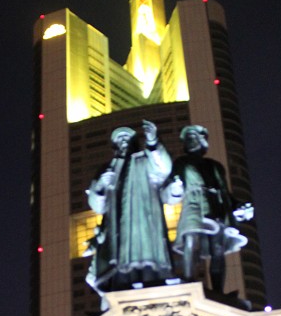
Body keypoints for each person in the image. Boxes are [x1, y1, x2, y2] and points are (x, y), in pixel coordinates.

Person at [86, 121, 174, 301]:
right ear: (114, 145)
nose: (123, 141)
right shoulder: (107, 169)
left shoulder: (145, 159)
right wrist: (101, 185)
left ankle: (151, 278)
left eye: (127, 137)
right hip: (117, 226)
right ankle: (123, 281)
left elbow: (164, 169)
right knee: (120, 260)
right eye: (119, 139)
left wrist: (153, 141)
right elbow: (97, 206)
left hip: (145, 219)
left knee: (148, 254)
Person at [163, 125, 253, 293]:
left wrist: (238, 206)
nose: (190, 141)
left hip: (216, 205)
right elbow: (171, 188)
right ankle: (190, 281)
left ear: (202, 141)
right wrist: (175, 188)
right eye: (187, 138)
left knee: (217, 248)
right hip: (193, 203)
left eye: (194, 137)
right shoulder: (181, 163)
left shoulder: (215, 166)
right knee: (191, 240)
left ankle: (219, 291)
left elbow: (225, 190)